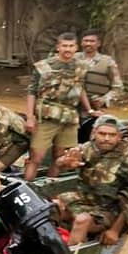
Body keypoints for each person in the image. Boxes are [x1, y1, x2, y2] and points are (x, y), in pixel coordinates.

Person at [54, 115, 128, 245]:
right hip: (85, 200)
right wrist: (65, 162)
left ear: (119, 137)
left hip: (110, 210)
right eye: (102, 134)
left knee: (82, 220)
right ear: (94, 133)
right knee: (51, 208)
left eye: (112, 135)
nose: (106, 139)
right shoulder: (88, 148)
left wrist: (114, 231)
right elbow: (60, 163)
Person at [25, 32, 98, 181]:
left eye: (71, 46)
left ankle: (50, 188)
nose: (68, 49)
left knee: (60, 158)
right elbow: (32, 92)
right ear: (58, 47)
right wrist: (30, 117)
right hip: (46, 118)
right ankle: (27, 188)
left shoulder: (81, 66)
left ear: (76, 48)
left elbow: (80, 88)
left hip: (69, 118)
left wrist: (90, 109)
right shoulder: (44, 66)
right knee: (36, 158)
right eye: (64, 45)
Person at [77, 29, 123, 115]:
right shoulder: (73, 59)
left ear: (98, 44)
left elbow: (118, 87)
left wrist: (104, 99)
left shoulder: (108, 62)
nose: (88, 44)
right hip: (74, 106)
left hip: (97, 108)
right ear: (81, 43)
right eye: (86, 41)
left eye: (92, 41)